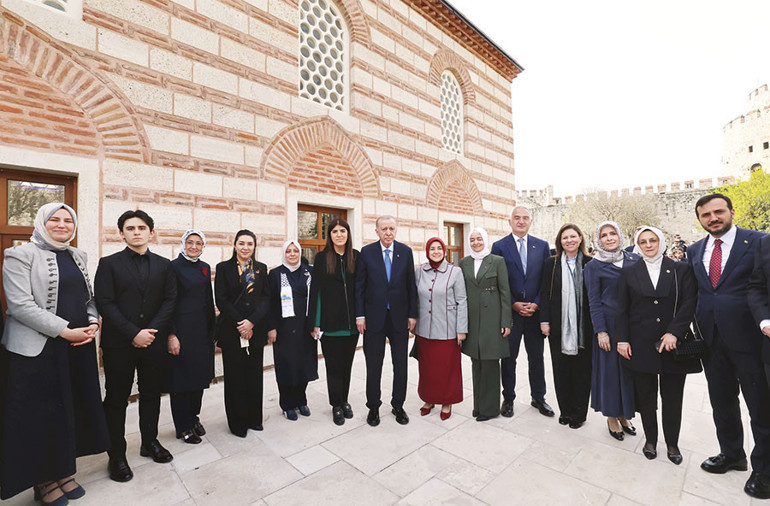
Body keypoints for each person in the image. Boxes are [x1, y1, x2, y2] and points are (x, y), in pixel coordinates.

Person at [0, 203, 108, 504]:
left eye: (67, 220)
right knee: (41, 416)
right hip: (38, 351)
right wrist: (64, 330)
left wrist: (91, 322)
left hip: (76, 348)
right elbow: (19, 306)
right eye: (54, 220)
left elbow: (88, 298)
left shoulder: (78, 255)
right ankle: (43, 480)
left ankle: (63, 470)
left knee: (69, 411)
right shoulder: (20, 255)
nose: (62, 225)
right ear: (41, 222)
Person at [688, 194, 770, 498]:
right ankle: (732, 454)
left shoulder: (758, 242)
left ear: (731, 212)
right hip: (711, 340)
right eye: (706, 215)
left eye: (718, 211)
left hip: (750, 339)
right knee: (721, 403)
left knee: (760, 407)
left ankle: (764, 469)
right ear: (699, 220)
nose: (713, 218)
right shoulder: (695, 250)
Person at [95, 209, 176, 483]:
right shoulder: (108, 264)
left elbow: (170, 300)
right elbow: (105, 302)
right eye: (130, 228)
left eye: (142, 227)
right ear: (122, 233)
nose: (136, 232)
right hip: (120, 343)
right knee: (116, 400)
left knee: (151, 394)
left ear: (151, 232)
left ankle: (149, 442)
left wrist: (149, 332)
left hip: (152, 342)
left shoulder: (165, 265)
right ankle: (116, 454)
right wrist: (133, 333)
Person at [616, 227, 701, 464]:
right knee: (646, 396)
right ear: (637, 245)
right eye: (642, 241)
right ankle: (651, 439)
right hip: (640, 344)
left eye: (653, 240)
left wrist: (674, 332)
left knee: (673, 397)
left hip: (673, 344)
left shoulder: (680, 269)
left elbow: (688, 303)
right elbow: (622, 308)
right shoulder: (629, 271)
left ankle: (672, 443)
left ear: (661, 241)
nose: (648, 245)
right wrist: (622, 339)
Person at [491, 207, 553, 418]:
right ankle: (508, 398)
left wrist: (536, 303)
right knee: (509, 358)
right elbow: (496, 282)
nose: (521, 221)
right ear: (510, 221)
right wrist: (513, 304)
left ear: (530, 221)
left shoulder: (543, 246)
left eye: (525, 218)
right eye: (516, 218)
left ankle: (539, 397)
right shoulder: (499, 247)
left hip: (535, 314)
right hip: (512, 314)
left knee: (537, 357)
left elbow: (547, 281)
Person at [355, 215, 418, 427]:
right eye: (384, 229)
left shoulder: (405, 252)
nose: (388, 232)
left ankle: (398, 405)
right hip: (374, 318)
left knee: (400, 364)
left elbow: (411, 286)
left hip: (399, 318)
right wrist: (360, 315)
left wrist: (412, 315)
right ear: (377, 231)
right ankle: (373, 407)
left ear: (396, 230)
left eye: (391, 228)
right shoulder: (367, 252)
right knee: (374, 365)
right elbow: (360, 287)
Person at [584, 221, 637, 440]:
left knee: (627, 373)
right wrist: (601, 331)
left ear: (620, 235)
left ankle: (625, 414)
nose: (609, 238)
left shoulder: (635, 260)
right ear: (599, 240)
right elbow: (593, 301)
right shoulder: (593, 266)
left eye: (612, 233)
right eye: (604, 235)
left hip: (633, 327)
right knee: (609, 374)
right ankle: (611, 417)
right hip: (609, 327)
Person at [214, 230, 270, 437]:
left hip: (255, 331)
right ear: (234, 244)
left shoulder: (261, 269)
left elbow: (266, 299)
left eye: (250, 244)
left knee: (254, 376)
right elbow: (221, 299)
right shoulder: (223, 268)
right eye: (242, 243)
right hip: (232, 330)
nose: (246, 247)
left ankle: (254, 418)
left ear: (255, 247)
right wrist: (241, 323)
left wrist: (252, 322)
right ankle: (237, 423)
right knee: (235, 378)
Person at [539, 224, 594, 429]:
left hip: (584, 327)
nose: (569, 240)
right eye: (565, 237)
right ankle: (565, 411)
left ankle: (579, 414)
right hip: (557, 326)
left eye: (573, 236)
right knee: (561, 369)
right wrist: (544, 321)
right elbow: (544, 293)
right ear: (559, 241)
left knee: (582, 371)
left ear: (580, 239)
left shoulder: (590, 263)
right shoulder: (551, 264)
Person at [308, 218, 359, 425]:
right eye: (335, 231)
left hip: (351, 327)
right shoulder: (322, 258)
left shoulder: (356, 256)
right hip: (330, 325)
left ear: (348, 234)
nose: (339, 234)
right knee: (333, 367)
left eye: (343, 231)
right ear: (330, 235)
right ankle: (335, 405)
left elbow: (361, 289)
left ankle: (345, 400)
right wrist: (316, 322)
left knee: (347, 366)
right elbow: (316, 292)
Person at [166, 230, 215, 444]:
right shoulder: (173, 267)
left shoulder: (204, 268)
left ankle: (194, 418)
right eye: (190, 242)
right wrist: (171, 334)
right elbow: (168, 302)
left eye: (198, 243)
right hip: (181, 331)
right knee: (181, 381)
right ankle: (182, 426)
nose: (194, 246)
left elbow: (208, 300)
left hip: (201, 332)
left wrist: (213, 332)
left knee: (199, 379)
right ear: (183, 244)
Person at [458, 228, 512, 422]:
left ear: (486, 240)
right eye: (472, 239)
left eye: (479, 239)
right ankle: (478, 406)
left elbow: (505, 292)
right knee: (476, 362)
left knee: (490, 362)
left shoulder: (497, 261)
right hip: (472, 318)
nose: (475, 242)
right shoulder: (464, 262)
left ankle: (489, 410)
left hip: (492, 318)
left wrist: (506, 321)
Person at [414, 237, 467, 420]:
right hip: (424, 330)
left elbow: (462, 301)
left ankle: (446, 401)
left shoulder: (455, 272)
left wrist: (461, 329)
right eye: (432, 249)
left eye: (439, 248)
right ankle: (429, 399)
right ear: (427, 251)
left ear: (444, 251)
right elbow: (414, 296)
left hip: (448, 329)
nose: (435, 252)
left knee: (446, 369)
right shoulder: (419, 271)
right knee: (427, 369)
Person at [267, 240, 318, 421]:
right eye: (288, 251)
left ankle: (301, 400)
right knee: (286, 367)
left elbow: (316, 300)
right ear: (284, 254)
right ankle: (287, 404)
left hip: (306, 328)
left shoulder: (309, 272)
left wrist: (316, 324)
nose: (292, 254)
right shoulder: (275, 274)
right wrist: (271, 327)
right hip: (284, 329)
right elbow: (270, 303)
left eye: (295, 251)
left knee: (304, 365)